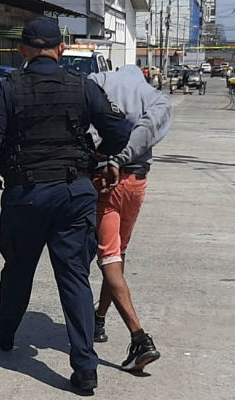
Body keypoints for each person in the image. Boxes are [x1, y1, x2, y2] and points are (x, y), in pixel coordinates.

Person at [0, 18, 132, 392]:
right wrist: (98, 156)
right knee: (75, 279)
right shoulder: (84, 87)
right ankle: (85, 368)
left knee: (18, 270)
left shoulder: (7, 90)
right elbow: (121, 130)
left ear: (22, 51)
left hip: (25, 197)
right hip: (73, 195)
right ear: (61, 50)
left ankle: (5, 330)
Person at [88, 65, 172, 371]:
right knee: (117, 257)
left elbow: (83, 125)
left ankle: (140, 337)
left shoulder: (96, 84)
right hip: (136, 183)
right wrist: (125, 157)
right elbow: (146, 130)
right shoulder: (156, 99)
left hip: (106, 181)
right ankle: (98, 319)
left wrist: (110, 159)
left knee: (108, 258)